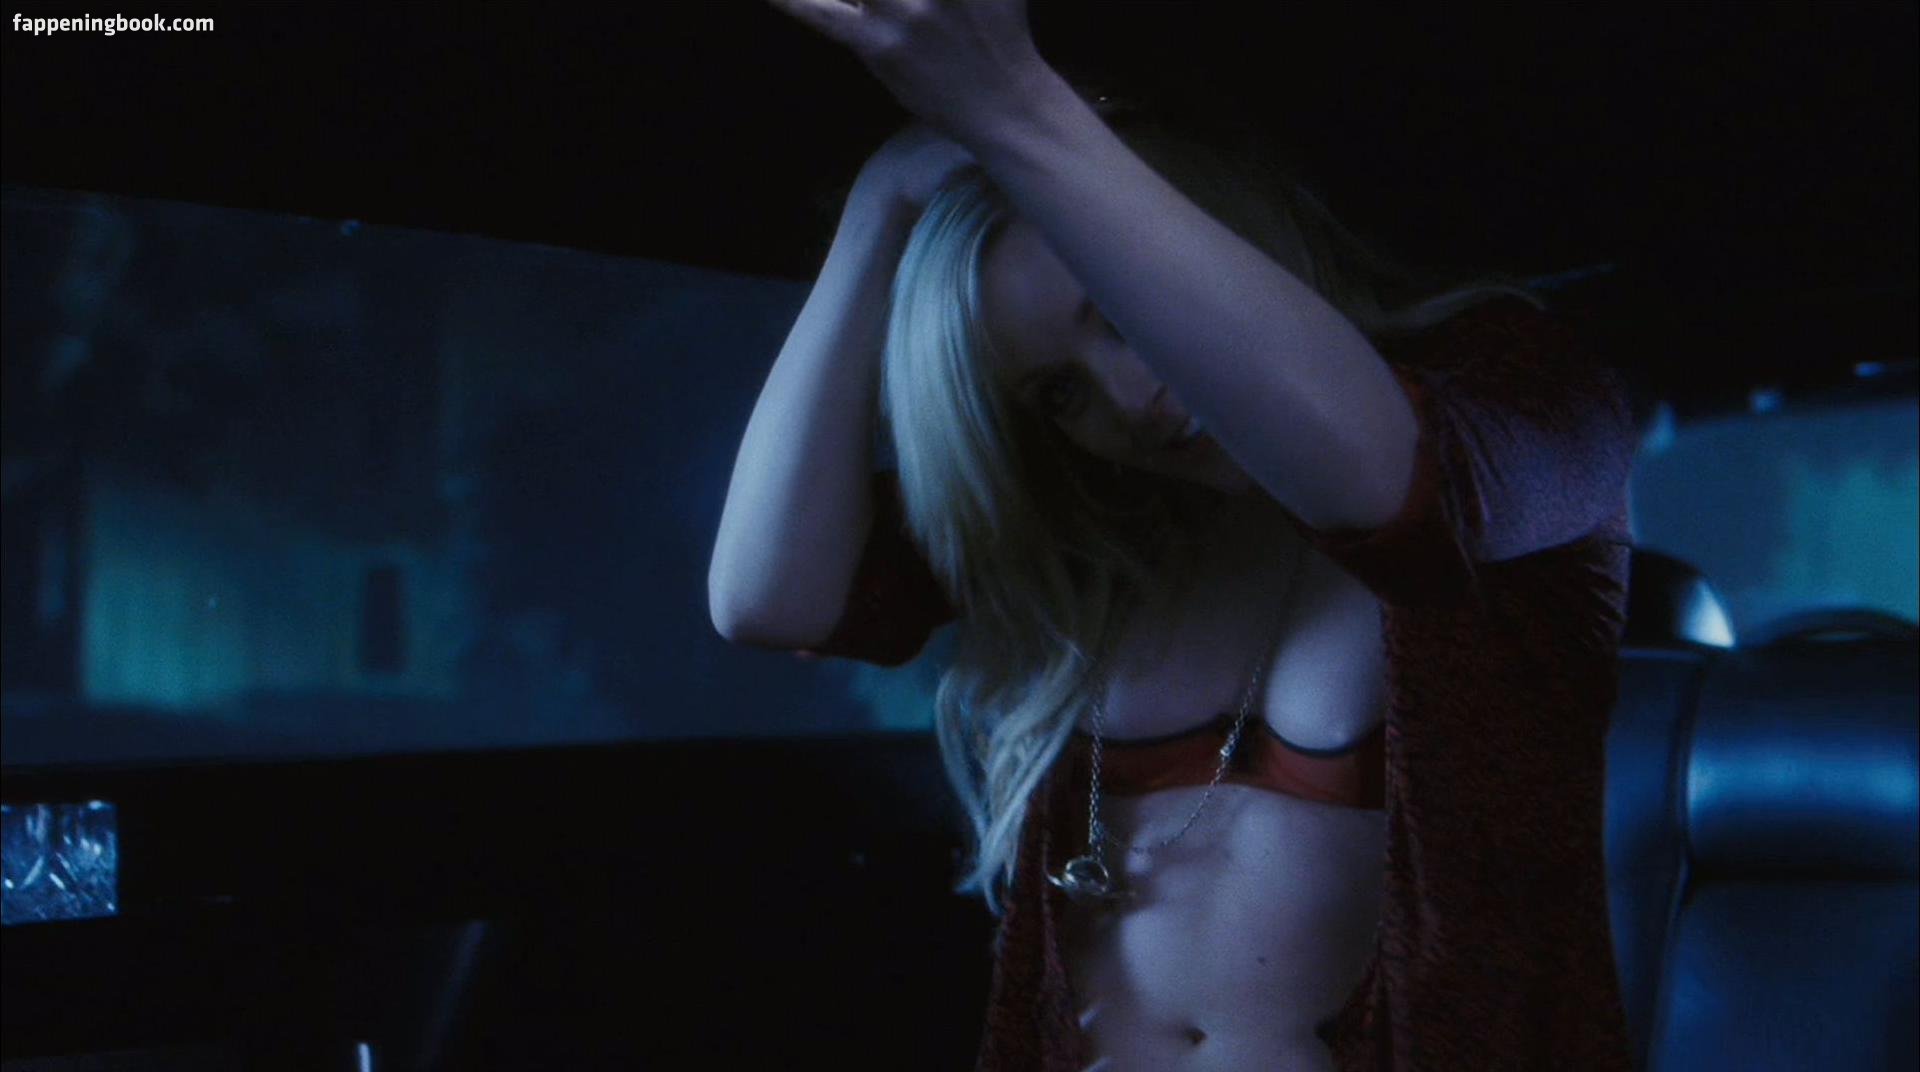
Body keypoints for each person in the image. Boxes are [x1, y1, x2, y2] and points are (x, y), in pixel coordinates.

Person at [715, 2, 1640, 1068]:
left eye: (1121, 314)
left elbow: (1387, 495)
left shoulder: (1522, 390)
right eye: (1059, 392)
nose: (1129, 400)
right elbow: (770, 599)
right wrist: (877, 209)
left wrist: (1015, 107)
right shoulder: (1103, 524)